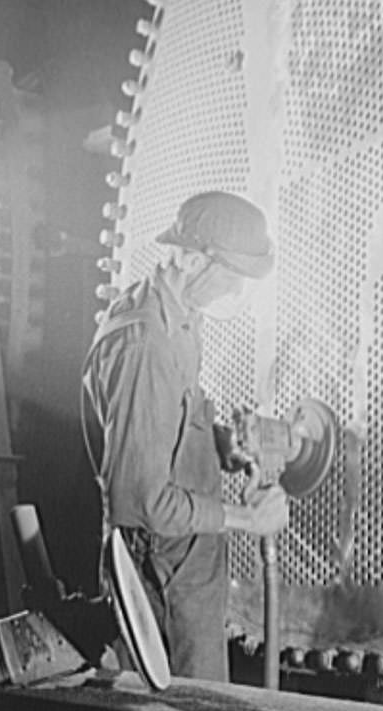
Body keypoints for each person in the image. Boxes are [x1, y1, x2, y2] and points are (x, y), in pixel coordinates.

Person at [82, 191, 289, 681]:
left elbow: (164, 427)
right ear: (189, 257)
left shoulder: (179, 312)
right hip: (164, 566)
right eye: (234, 276)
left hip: (186, 555)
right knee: (188, 702)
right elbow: (140, 500)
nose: (236, 290)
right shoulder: (146, 344)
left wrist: (218, 443)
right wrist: (247, 518)